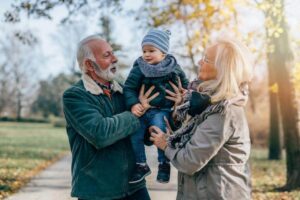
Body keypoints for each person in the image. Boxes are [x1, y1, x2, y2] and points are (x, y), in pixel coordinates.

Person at [150, 37, 253, 199]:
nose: (199, 62)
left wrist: (165, 144)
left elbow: (189, 161)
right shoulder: (207, 105)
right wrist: (180, 111)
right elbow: (194, 143)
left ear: (222, 69)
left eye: (206, 59)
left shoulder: (223, 111)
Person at [62, 35, 154, 200]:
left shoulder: (125, 92)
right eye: (107, 55)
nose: (115, 59)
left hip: (135, 187)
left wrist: (166, 116)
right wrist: (134, 115)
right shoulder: (75, 96)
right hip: (97, 191)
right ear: (89, 65)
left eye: (113, 53)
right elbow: (99, 133)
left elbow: (145, 136)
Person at [123, 28, 190, 184]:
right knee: (135, 134)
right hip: (143, 111)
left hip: (162, 110)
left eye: (151, 50)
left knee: (159, 130)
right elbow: (129, 88)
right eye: (144, 50)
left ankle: (163, 163)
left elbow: (186, 86)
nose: (146, 54)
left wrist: (184, 94)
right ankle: (141, 165)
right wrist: (133, 104)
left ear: (163, 53)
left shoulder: (173, 67)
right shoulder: (139, 67)